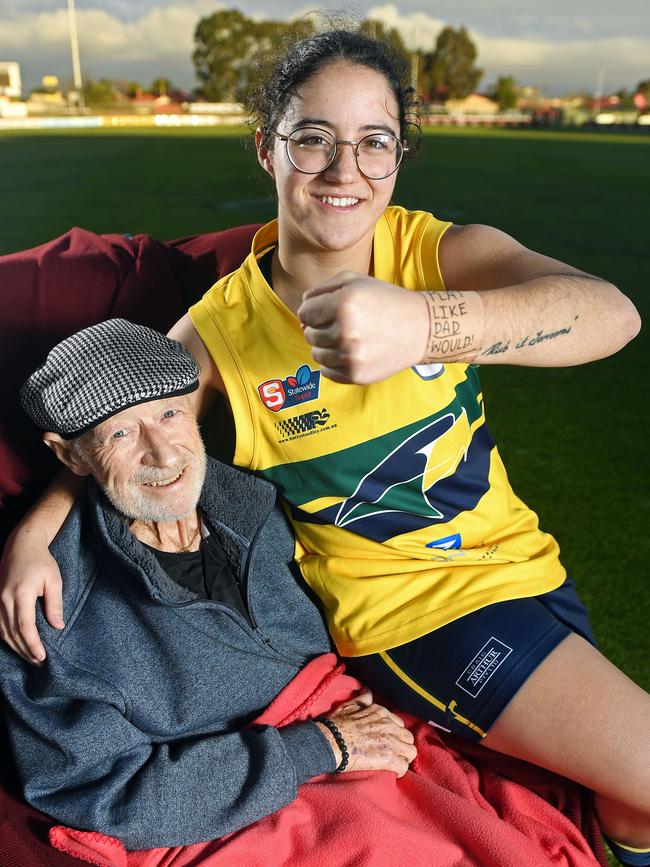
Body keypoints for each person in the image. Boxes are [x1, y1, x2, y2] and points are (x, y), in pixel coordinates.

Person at [0, 25, 647, 867]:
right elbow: (122, 434)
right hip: (415, 612)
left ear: (400, 155)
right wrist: (33, 532)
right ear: (267, 149)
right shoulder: (215, 334)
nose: (346, 171)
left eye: (374, 143)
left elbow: (612, 314)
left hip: (523, 563)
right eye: (314, 139)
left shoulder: (431, 254)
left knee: (625, 799)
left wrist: (428, 324)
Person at [0, 319, 415, 848]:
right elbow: (106, 796)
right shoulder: (49, 614)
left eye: (170, 413)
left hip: (380, 724)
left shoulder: (268, 503)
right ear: (71, 455)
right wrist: (318, 747)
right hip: (247, 811)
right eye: (122, 433)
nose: (165, 454)